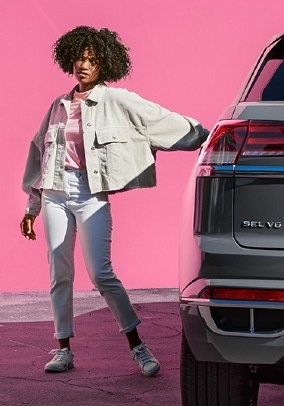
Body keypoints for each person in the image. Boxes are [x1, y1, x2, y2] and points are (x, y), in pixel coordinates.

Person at [19, 26, 208, 376]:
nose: (84, 65)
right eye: (79, 58)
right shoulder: (58, 105)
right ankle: (63, 348)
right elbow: (38, 154)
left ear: (105, 63)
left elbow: (159, 119)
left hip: (90, 194)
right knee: (59, 273)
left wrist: (207, 137)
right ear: (69, 60)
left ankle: (138, 345)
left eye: (92, 59)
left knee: (101, 273)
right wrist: (32, 207)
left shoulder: (117, 100)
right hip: (55, 195)